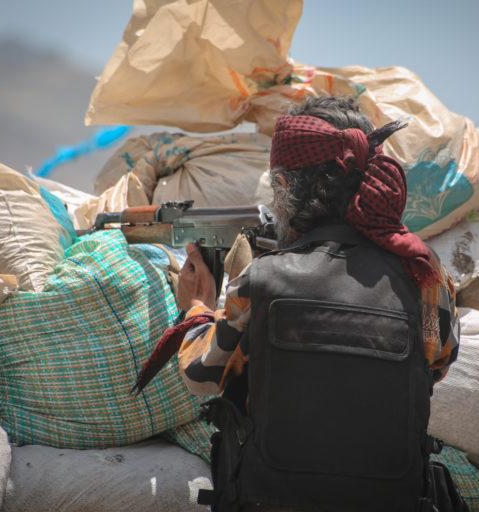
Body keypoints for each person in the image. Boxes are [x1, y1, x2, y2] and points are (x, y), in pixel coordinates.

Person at [174, 96, 461, 512]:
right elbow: (438, 364)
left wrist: (197, 307)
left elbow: (201, 375)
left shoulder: (262, 279)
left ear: (286, 186)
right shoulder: (423, 277)